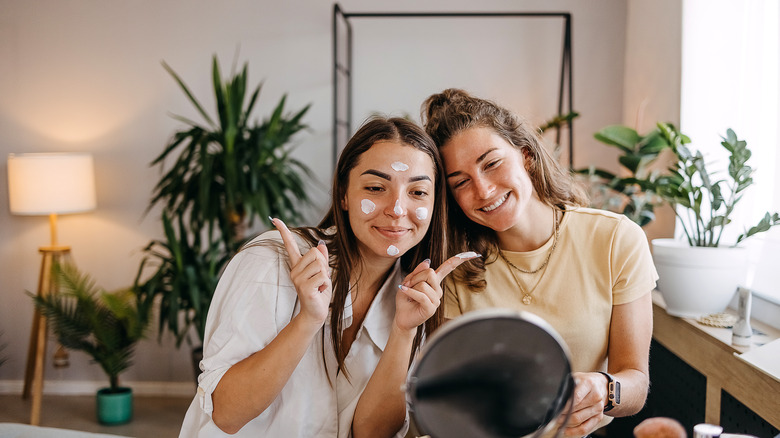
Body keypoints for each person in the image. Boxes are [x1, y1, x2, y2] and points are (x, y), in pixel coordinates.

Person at [178, 116, 478, 438]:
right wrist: (307, 320)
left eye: (418, 192)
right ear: (344, 195)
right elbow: (227, 414)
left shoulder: (416, 297)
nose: (396, 209)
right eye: (376, 188)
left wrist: (404, 331)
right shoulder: (270, 260)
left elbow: (371, 434)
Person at [421, 89, 658, 437]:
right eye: (461, 182)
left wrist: (605, 389)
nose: (483, 190)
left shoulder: (616, 239)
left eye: (492, 164)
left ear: (526, 155)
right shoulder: (455, 266)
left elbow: (635, 383)